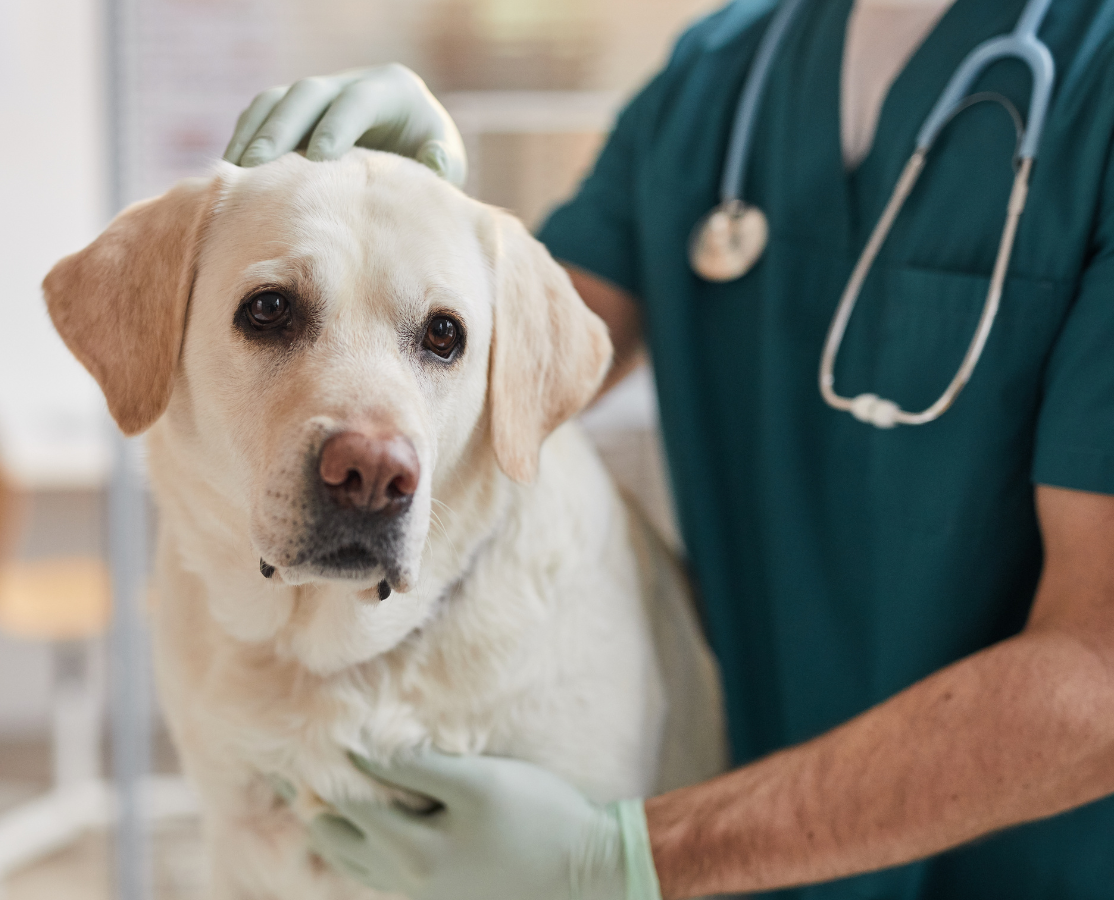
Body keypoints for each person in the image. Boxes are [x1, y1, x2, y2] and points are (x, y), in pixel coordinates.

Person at [221, 1, 1114, 898]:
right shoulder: (720, 74)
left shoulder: (1096, 84)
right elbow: (505, 367)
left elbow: (1102, 668)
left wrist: (628, 857)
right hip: (750, 850)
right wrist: (414, 219)